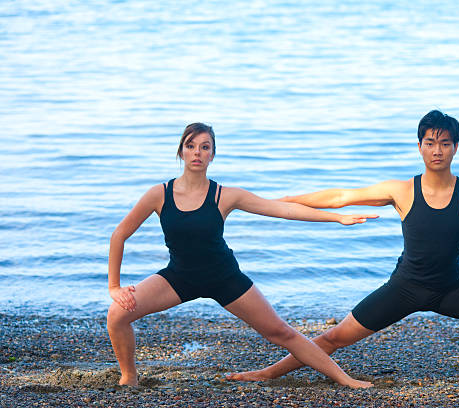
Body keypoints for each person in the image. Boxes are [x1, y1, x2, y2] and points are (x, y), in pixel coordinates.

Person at [228, 110, 459, 392]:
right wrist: (287, 200)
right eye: (430, 143)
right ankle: (269, 372)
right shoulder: (401, 191)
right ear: (419, 147)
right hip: (404, 289)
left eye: (445, 143)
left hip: (450, 289)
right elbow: (341, 197)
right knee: (334, 338)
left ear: (456, 148)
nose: (437, 150)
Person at [106, 123, 378, 388]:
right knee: (117, 314)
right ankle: (129, 377)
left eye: (205, 147)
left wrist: (337, 218)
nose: (197, 152)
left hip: (224, 277)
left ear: (213, 154)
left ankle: (345, 379)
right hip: (179, 277)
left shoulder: (225, 196)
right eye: (191, 146)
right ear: (181, 152)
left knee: (280, 332)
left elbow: (284, 210)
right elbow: (119, 235)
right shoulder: (159, 194)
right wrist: (114, 286)